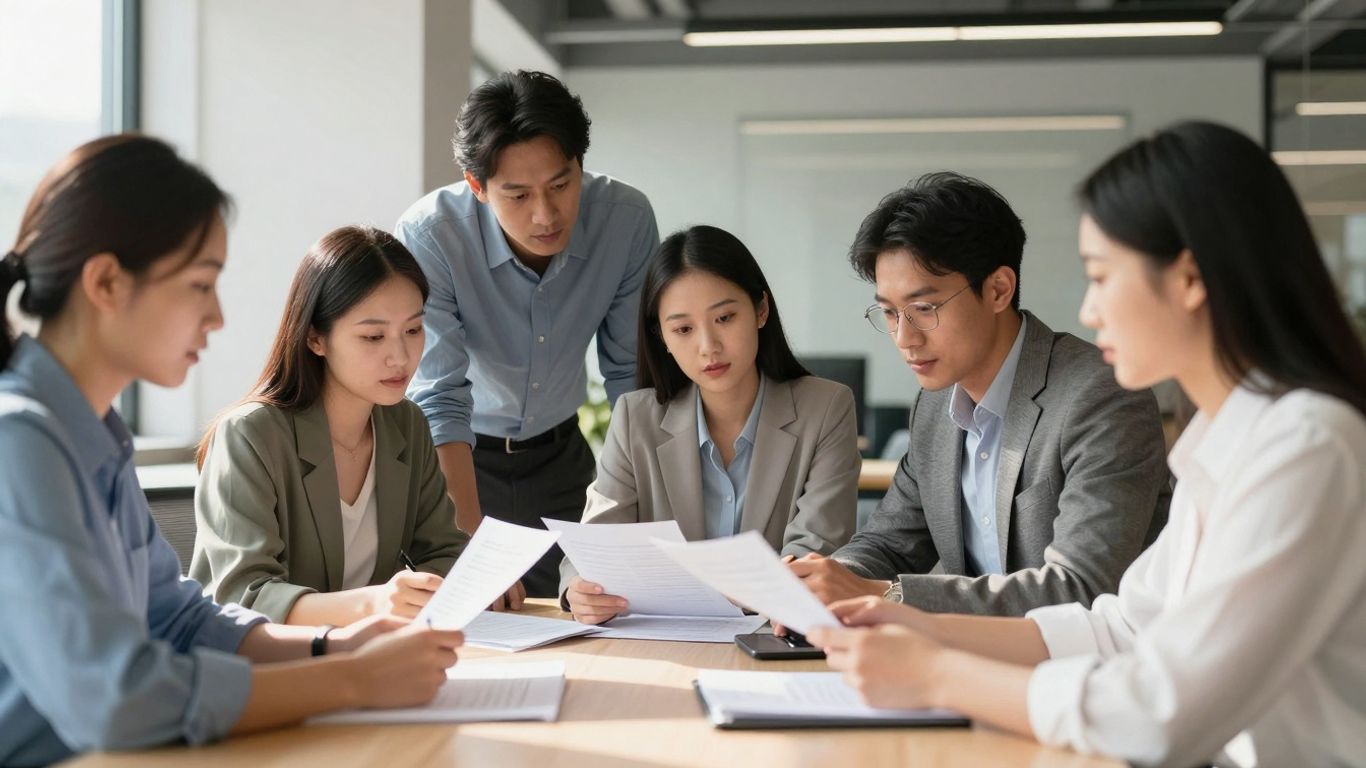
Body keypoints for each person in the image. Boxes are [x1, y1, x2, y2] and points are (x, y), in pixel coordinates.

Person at [809, 121, 1366, 767]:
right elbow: (1121, 626)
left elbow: (1160, 715)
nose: (1088, 311)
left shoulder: (1307, 445)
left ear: (1188, 279)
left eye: (1101, 277)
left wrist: (935, 671)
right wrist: (918, 625)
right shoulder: (1224, 434)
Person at [0, 136, 462, 767]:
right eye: (200, 284)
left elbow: (182, 620)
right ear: (107, 282)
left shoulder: (97, 434)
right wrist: (351, 681)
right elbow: (116, 699)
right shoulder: (20, 442)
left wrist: (339, 646)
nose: (217, 317)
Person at [788, 171, 1171, 616]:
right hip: (972, 664)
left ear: (998, 290)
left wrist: (885, 595)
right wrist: (822, 582)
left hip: (1086, 671)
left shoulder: (1100, 395)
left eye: (923, 309)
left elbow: (1082, 588)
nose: (904, 338)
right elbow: (889, 542)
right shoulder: (935, 405)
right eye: (890, 313)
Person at [396, 70, 659, 598]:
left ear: (580, 165)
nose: (545, 215)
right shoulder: (432, 235)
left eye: (561, 185)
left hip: (564, 460)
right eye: (517, 195)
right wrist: (469, 553)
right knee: (474, 620)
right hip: (460, 461)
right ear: (477, 186)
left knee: (595, 609)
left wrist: (650, 514)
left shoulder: (625, 220)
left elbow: (633, 377)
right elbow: (440, 399)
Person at [191, 226, 522, 625]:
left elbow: (441, 551)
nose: (400, 356)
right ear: (315, 338)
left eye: (413, 330)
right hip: (272, 671)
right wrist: (374, 604)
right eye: (373, 337)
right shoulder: (250, 435)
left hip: (376, 658)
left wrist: (471, 579)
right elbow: (243, 596)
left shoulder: (407, 423)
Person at [560, 226, 860, 624]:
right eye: (683, 329)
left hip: (773, 638)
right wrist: (580, 588)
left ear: (760, 311)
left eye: (724, 317)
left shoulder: (826, 408)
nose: (708, 346)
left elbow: (814, 553)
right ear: (663, 338)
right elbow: (596, 544)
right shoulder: (636, 417)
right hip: (665, 643)